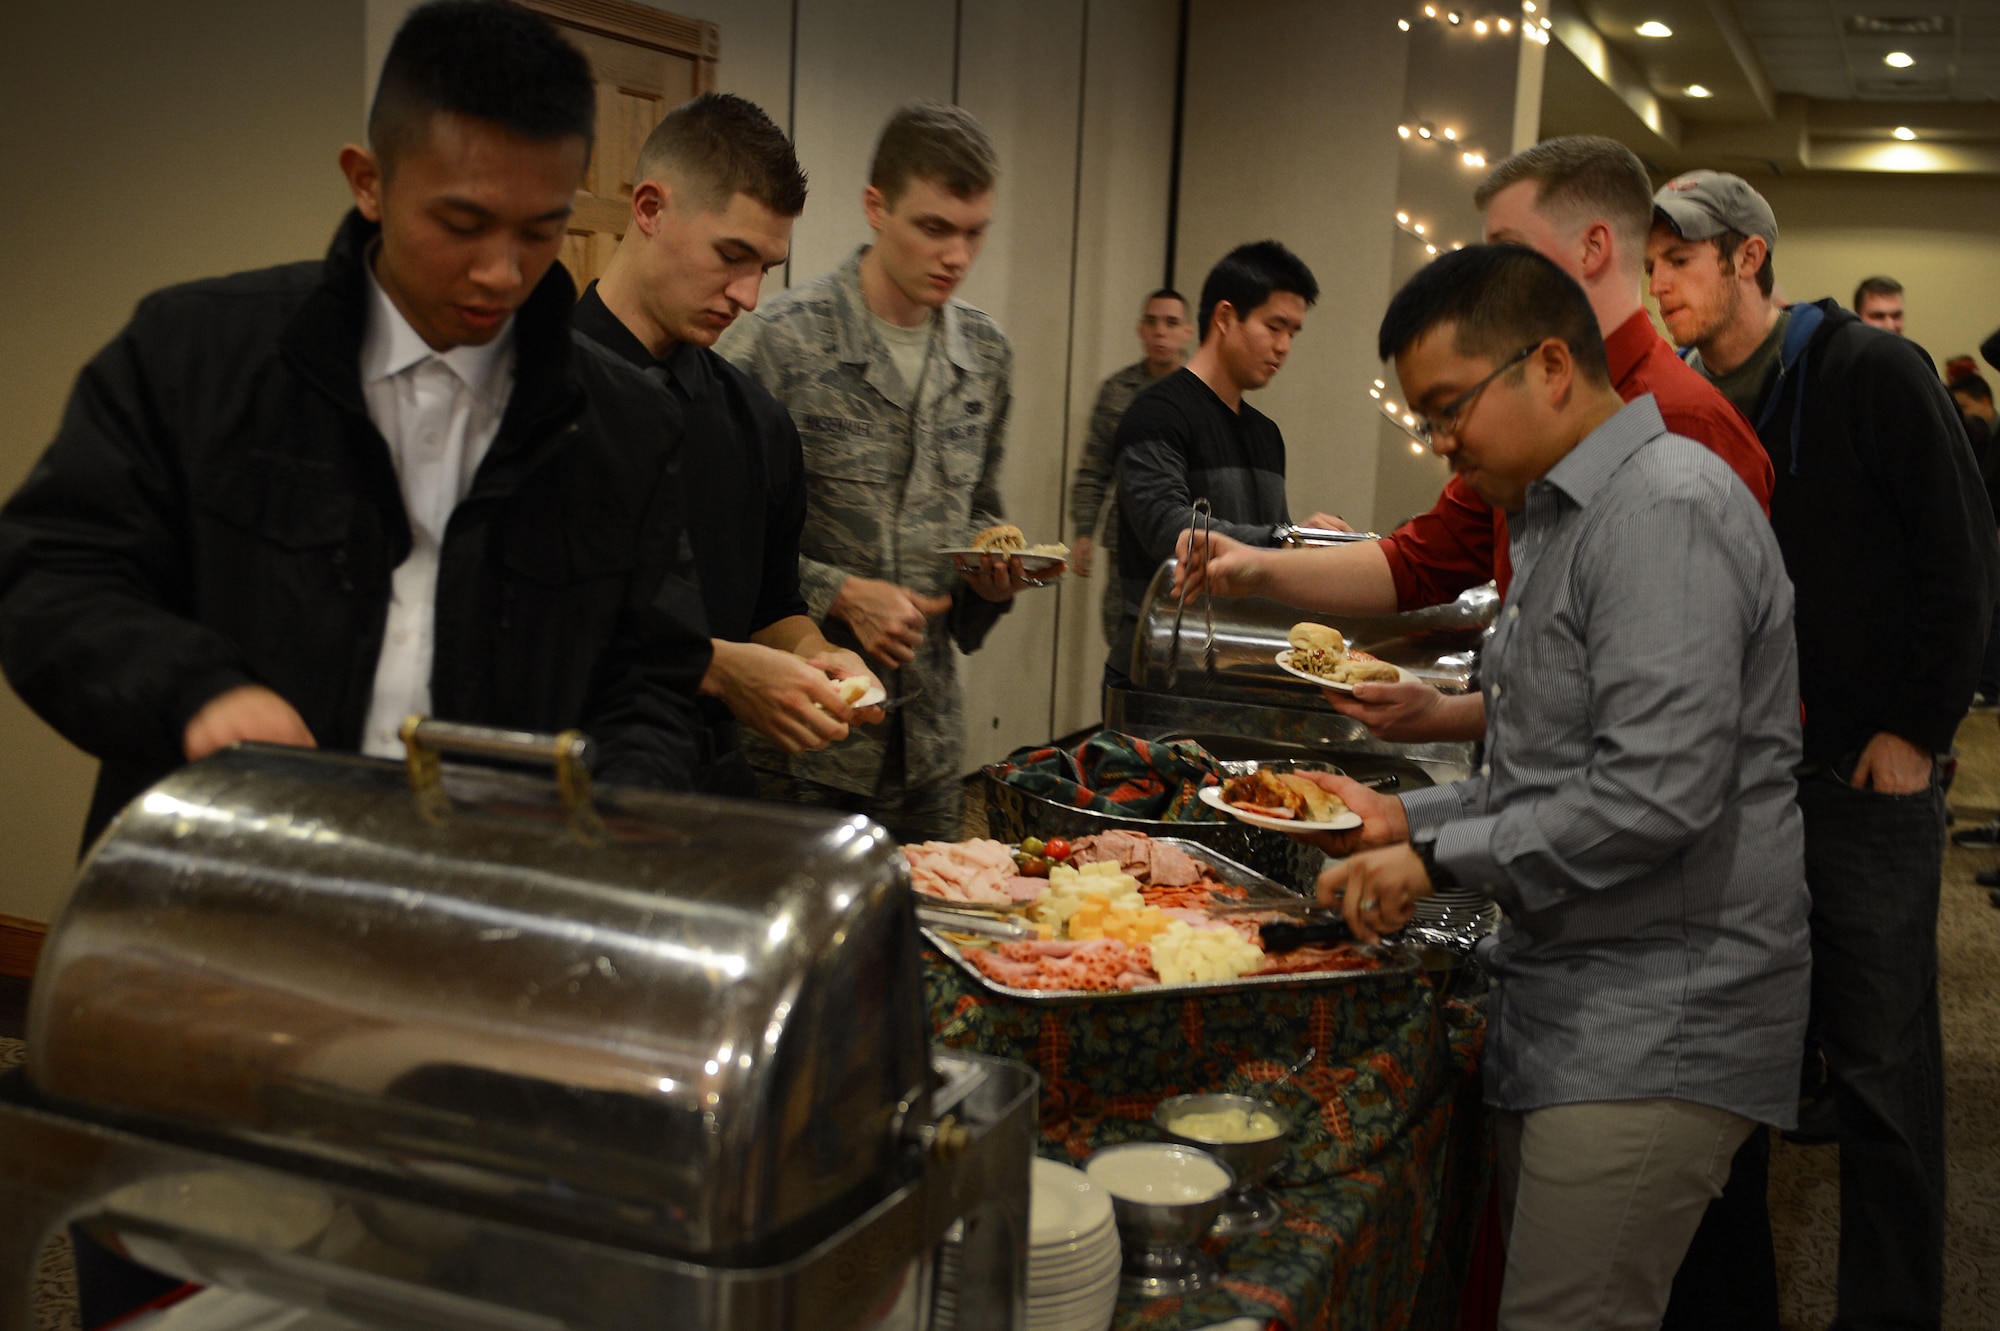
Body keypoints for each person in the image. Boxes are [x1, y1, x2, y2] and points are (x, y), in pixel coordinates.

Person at [0, 3, 716, 1320]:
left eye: (543, 228)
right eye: (461, 220)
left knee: (448, 1284)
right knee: (185, 1277)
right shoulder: (195, 354)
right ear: (367, 180)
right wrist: (197, 690)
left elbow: (652, 680)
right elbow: (49, 576)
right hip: (211, 955)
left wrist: (602, 822)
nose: (503, 270)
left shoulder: (625, 427)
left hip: (488, 978)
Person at [1310, 242, 1810, 1329]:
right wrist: (1400, 813)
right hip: (1568, 984)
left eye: (1450, 408)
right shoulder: (1556, 510)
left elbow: (1650, 797)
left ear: (1547, 364)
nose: (1442, 442)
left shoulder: (1663, 506)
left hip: (1656, 1012)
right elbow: (1541, 767)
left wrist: (1431, 854)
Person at [1648, 168, 1998, 1331]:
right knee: (1747, 1054)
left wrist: (1914, 730)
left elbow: (1962, 558)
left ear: (1747, 256)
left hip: (1863, 773)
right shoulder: (1688, 394)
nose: (1659, 287)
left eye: (1678, 262)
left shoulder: (1866, 370)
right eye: (1649, 264)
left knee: (1883, 1071)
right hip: (1744, 780)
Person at [1177, 137, 1772, 750]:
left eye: (1509, 254)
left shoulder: (1684, 426)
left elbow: (1673, 730)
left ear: (1594, 248)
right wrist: (1259, 570)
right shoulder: (1528, 412)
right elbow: (1416, 563)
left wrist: (1433, 815)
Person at [717, 101, 1020, 843]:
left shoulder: (984, 353)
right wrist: (838, 592)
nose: (955, 255)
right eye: (933, 227)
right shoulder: (777, 343)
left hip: (931, 741)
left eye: (973, 232)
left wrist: (992, 563)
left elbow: (980, 502)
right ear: (876, 208)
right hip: (806, 739)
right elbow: (711, 545)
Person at [572, 92, 882, 796]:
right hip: (563, 788)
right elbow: (526, 627)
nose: (747, 295)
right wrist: (716, 666)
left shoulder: (756, 421)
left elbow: (772, 606)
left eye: (765, 268)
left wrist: (816, 655)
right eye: (731, 255)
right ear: (649, 209)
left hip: (711, 789)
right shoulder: (533, 397)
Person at [1108, 240, 1341, 688]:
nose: (1284, 346)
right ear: (1225, 318)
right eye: (1274, 326)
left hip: (1243, 669)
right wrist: (1287, 541)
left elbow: (1271, 555)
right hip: (1162, 671)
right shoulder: (1155, 413)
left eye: (1293, 332)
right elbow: (1169, 529)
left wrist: (1314, 550)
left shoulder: (1266, 433)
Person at [1067, 289, 1192, 646]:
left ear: (1187, 331)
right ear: (1139, 328)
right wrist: (1085, 530)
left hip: (1188, 543)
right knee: (1125, 641)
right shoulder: (1118, 391)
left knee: (1185, 647)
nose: (1160, 332)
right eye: (1151, 322)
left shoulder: (1205, 391)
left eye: (1171, 323)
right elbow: (1095, 466)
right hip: (1127, 541)